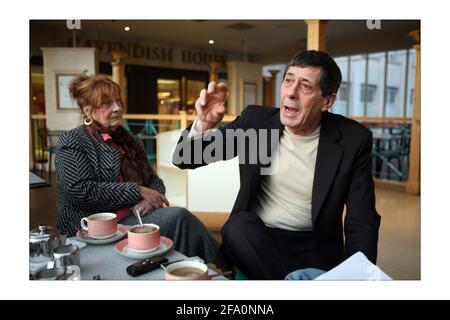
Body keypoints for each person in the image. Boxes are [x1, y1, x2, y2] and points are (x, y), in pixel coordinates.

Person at [173, 50, 381, 279]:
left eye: (305, 86)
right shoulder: (256, 123)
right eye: (289, 80)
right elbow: (185, 158)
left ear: (327, 101)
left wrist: (358, 277)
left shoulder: (352, 140)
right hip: (257, 237)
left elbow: (362, 220)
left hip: (314, 245)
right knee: (238, 226)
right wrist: (204, 123)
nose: (291, 93)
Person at [55, 74, 219, 262]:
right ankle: (222, 265)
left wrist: (150, 201)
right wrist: (137, 191)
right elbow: (80, 190)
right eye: (107, 103)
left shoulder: (129, 140)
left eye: (118, 101)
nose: (117, 108)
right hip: (96, 229)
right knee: (179, 218)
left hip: (137, 219)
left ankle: (194, 270)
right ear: (88, 110)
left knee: (178, 224)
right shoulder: (74, 140)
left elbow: (154, 181)